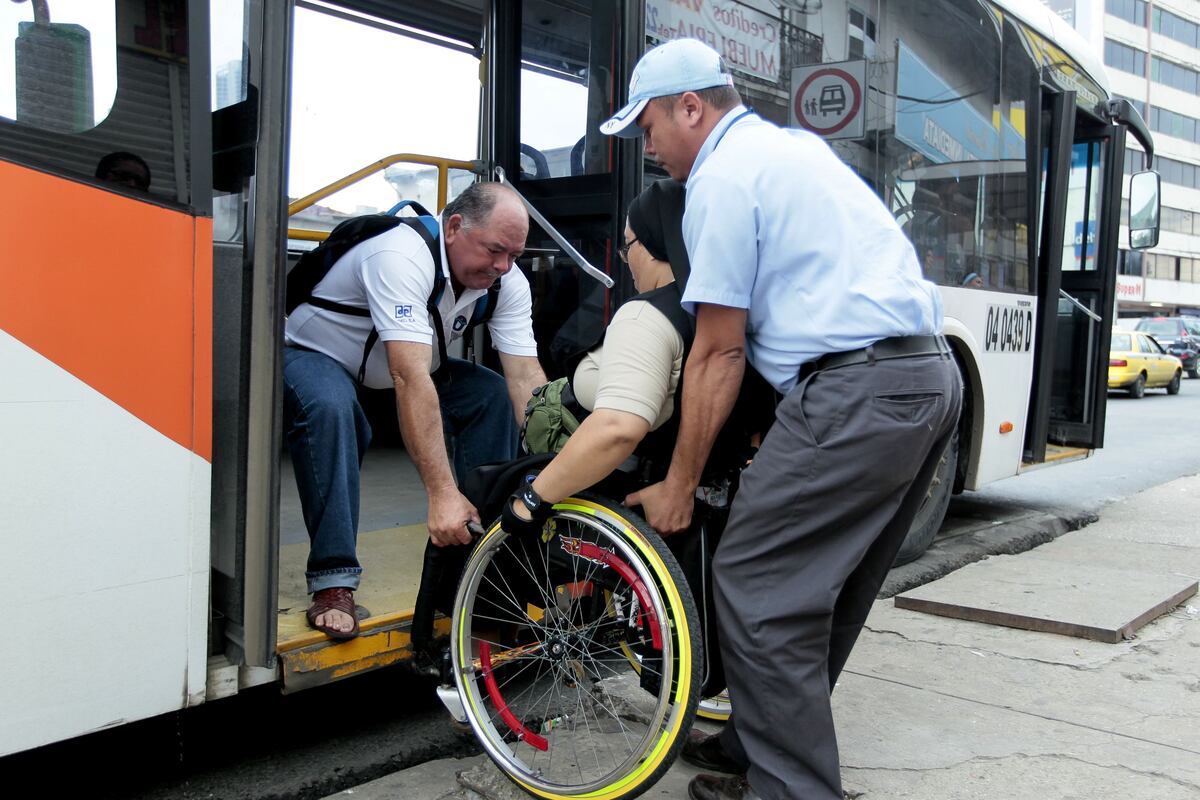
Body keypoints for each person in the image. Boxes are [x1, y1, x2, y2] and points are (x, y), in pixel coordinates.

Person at [599, 38, 963, 800]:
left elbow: (717, 353)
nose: (650, 146)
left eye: (649, 127)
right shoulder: (791, 150)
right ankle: (759, 745)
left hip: (859, 390)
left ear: (690, 106)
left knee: (756, 578)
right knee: (825, 583)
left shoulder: (722, 181)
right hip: (926, 376)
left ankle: (791, 790)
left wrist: (679, 483)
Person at [283, 182, 546, 640]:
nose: (504, 266)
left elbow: (526, 379)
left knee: (487, 393)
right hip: (316, 355)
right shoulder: (400, 256)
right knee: (331, 407)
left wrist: (562, 468)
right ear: (455, 227)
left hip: (400, 366)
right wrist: (442, 493)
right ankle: (333, 579)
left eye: (515, 255)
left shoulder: (507, 281)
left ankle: (478, 559)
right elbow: (410, 376)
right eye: (495, 250)